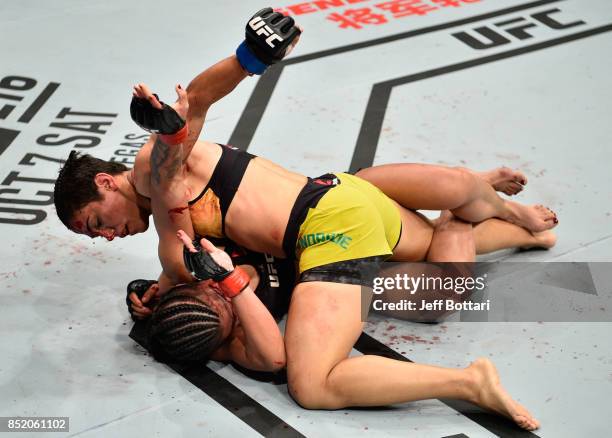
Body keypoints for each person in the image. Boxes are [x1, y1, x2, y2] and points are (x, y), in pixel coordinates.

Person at [52, 8, 555, 430]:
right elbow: (178, 241)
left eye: (95, 222)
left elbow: (195, 106)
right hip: (341, 196)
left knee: (313, 383)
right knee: (431, 263)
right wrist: (162, 284)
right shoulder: (162, 205)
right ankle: (492, 218)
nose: (105, 236)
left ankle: (469, 381)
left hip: (328, 232)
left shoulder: (151, 174)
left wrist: (231, 75)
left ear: (104, 183)